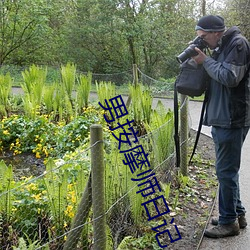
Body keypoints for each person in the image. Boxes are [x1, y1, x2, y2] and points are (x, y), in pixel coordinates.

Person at [192, 15, 250, 238]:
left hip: (232, 118)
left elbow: (229, 77)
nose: (203, 41)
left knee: (225, 171)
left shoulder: (238, 44)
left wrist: (205, 61)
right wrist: (202, 60)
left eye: (204, 37)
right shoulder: (221, 46)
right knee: (227, 171)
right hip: (222, 117)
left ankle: (228, 223)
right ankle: (237, 214)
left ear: (216, 32)